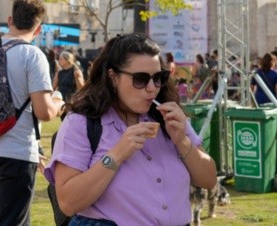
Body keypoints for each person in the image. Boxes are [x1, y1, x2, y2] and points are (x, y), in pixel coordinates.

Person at [45, 33, 217, 225]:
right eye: (141, 79)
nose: (152, 88)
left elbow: (209, 180)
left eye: (158, 77)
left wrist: (182, 141)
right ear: (113, 77)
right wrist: (117, 154)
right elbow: (68, 203)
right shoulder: (81, 123)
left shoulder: (169, 119)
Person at [0, 0, 64, 226]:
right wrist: (59, 103)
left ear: (10, 20)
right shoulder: (33, 55)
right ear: (38, 29)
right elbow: (44, 112)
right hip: (17, 149)